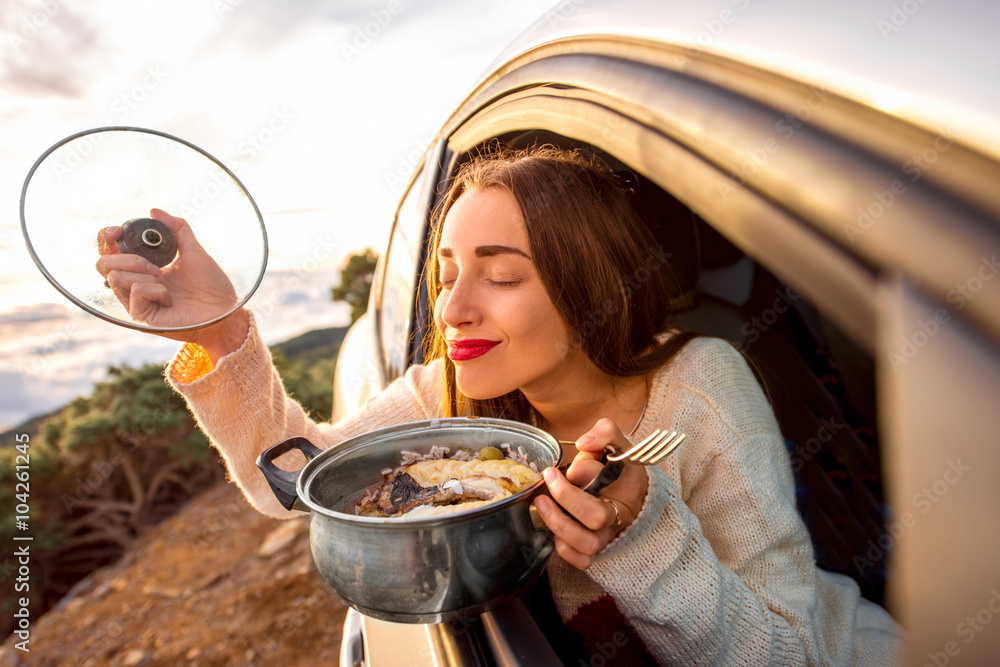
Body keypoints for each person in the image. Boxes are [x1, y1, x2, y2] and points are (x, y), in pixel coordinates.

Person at [97, 145, 904, 664]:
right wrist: (220, 329)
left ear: (590, 285)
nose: (451, 312)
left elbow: (795, 652)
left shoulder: (702, 388)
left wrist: (642, 537)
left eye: (502, 274)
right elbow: (298, 482)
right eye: (445, 274)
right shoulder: (444, 395)